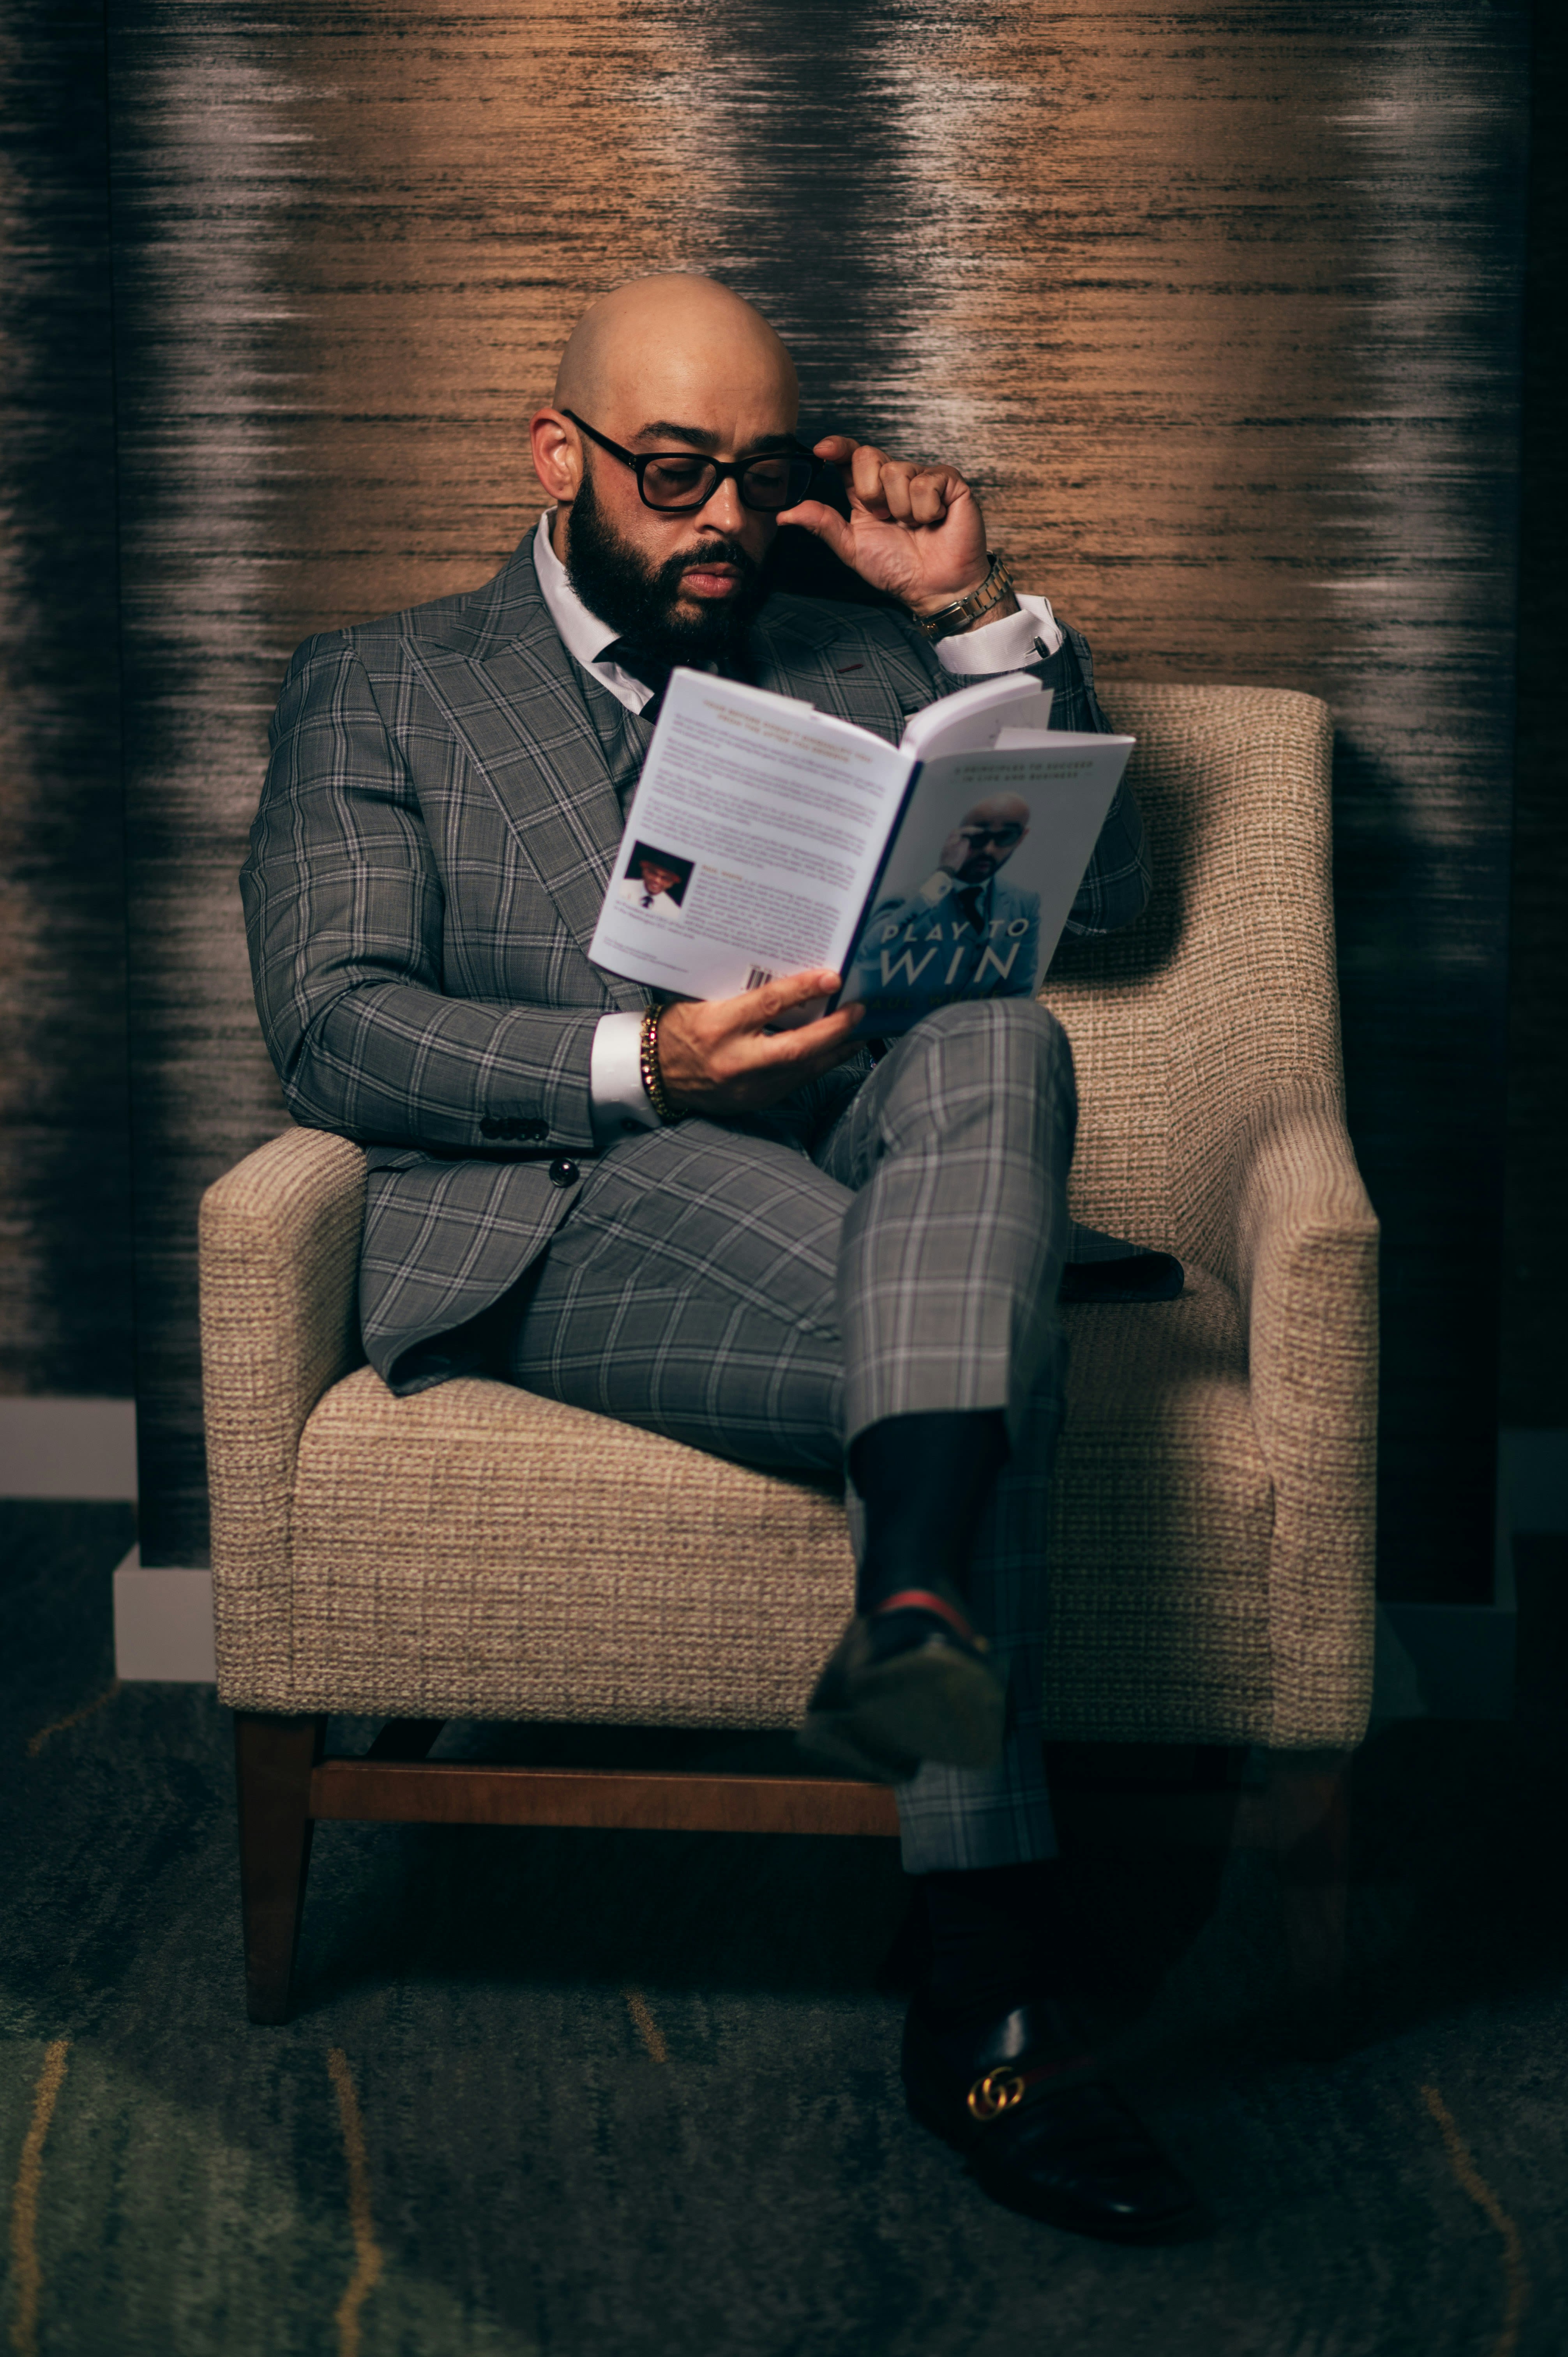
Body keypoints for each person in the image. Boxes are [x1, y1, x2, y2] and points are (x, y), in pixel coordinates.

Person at [242, 273, 1202, 2242]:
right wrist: (642, 1061)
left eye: (756, 481)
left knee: (1000, 1029)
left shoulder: (853, 659)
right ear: (557, 451)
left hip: (870, 1175)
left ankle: (914, 1602)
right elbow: (330, 1023)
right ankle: (986, 1975)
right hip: (563, 1209)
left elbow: (1106, 900)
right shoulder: (382, 684)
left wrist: (968, 616)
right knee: (973, 1332)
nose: (721, 524)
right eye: (674, 474)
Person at [846, 792, 1041, 1024]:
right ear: (955, 837)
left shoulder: (1023, 903)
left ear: (1021, 838)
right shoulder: (906, 900)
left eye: (1005, 837)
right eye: (977, 837)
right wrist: (943, 875)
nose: (989, 850)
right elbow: (868, 955)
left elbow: (1018, 990)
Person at [615, 848, 691, 917]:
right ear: (645, 871)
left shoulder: (674, 912)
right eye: (654, 873)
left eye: (665, 878)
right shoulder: (621, 886)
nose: (657, 880)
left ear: (671, 884)